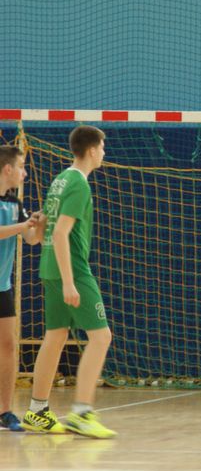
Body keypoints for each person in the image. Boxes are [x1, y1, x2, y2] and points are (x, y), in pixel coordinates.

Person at [22, 125, 117, 438]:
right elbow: (61, 232)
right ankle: (81, 413)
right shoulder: (78, 184)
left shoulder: (61, 179)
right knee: (101, 337)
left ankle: (37, 411)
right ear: (91, 150)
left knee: (55, 336)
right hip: (71, 268)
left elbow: (43, 229)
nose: (104, 153)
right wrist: (69, 282)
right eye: (102, 147)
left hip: (49, 265)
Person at [0, 146, 45, 432]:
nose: (25, 173)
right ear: (7, 169)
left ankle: (5, 411)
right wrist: (22, 225)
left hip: (2, 286)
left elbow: (31, 239)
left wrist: (41, 223)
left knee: (8, 346)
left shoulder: (15, 203)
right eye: (21, 166)